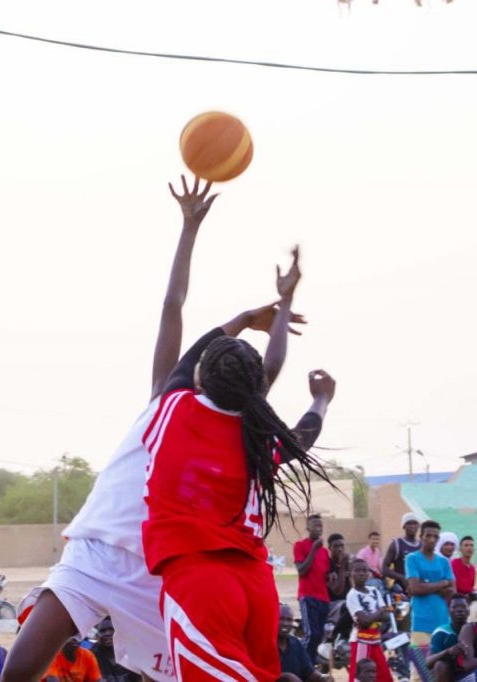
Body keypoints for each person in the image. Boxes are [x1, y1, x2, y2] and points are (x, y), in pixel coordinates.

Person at [2, 177, 302, 682]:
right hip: (97, 553)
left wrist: (191, 230)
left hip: (163, 570)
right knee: (20, 670)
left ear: (204, 371)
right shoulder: (175, 399)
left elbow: (174, 307)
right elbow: (266, 365)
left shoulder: (182, 403)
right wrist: (283, 307)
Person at [141, 247, 337, 680]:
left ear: (199, 378)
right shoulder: (256, 434)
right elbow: (300, 430)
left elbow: (180, 327)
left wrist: (247, 318)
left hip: (200, 582)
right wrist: (321, 399)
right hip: (255, 585)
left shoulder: (174, 409)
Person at [346, 557, 393, 682]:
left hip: (376, 640)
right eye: (357, 570)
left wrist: (373, 616)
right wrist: (379, 612)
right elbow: (364, 621)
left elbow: (387, 616)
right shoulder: (352, 595)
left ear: (368, 573)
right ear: (351, 573)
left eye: (364, 570)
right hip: (360, 641)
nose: (361, 573)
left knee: (384, 676)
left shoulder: (374, 591)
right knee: (360, 676)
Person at [406, 520, 455, 637]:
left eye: (435, 537)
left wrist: (425, 585)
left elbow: (452, 591)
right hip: (421, 623)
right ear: (421, 537)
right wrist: (442, 583)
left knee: (444, 655)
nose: (432, 539)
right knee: (419, 655)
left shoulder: (444, 562)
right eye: (428, 536)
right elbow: (416, 588)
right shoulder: (412, 558)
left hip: (443, 621)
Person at [295, 514, 331, 661]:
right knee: (311, 634)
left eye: (320, 525)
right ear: (308, 527)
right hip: (308, 596)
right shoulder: (300, 545)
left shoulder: (324, 552)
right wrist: (313, 550)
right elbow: (302, 570)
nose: (318, 528)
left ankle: (309, 667)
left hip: (323, 598)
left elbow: (325, 576)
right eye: (315, 525)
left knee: (319, 636)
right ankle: (299, 663)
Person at [278, 603, 329, 682]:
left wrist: (322, 677)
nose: (285, 623)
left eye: (289, 620)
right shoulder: (264, 644)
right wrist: (287, 677)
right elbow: (260, 674)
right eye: (281, 619)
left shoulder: (295, 644)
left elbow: (309, 672)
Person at [428, 593, 471, 682]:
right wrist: (448, 651)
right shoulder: (441, 632)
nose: (459, 610)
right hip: (449, 674)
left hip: (471, 669)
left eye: (463, 606)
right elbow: (428, 663)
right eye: (455, 607)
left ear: (469, 610)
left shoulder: (475, 629)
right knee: (440, 665)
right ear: (448, 610)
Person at [86, 617, 141, 682]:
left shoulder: (130, 653)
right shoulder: (91, 656)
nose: (108, 633)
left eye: (112, 629)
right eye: (103, 631)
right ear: (97, 636)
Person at [382, 513, 422, 594]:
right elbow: (384, 569)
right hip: (402, 589)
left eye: (415, 523)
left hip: (420, 587)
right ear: (403, 526)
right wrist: (402, 577)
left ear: (418, 526)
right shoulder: (396, 544)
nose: (412, 526)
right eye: (409, 523)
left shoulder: (422, 545)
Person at [327, 533, 353, 603]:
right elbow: (337, 590)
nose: (339, 549)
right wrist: (343, 565)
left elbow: (353, 588)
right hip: (334, 603)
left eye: (342, 546)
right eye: (336, 546)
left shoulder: (348, 563)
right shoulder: (327, 564)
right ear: (329, 548)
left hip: (348, 601)